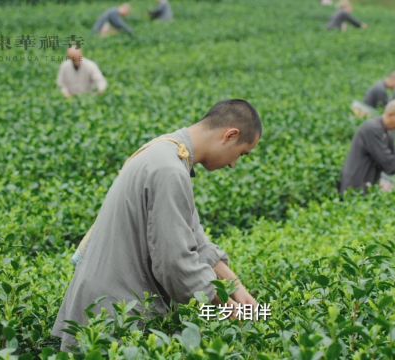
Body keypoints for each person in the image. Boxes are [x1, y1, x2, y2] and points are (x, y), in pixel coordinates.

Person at [52, 99, 262, 351]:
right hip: (114, 314)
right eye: (241, 154)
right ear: (230, 135)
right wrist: (229, 309)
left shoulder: (167, 151)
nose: (233, 164)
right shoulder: (169, 170)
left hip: (106, 303)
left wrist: (237, 288)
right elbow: (175, 264)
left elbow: (195, 238)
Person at [338, 99, 395, 197]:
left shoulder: (387, 132)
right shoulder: (372, 129)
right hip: (356, 183)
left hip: (369, 182)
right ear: (391, 114)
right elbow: (386, 159)